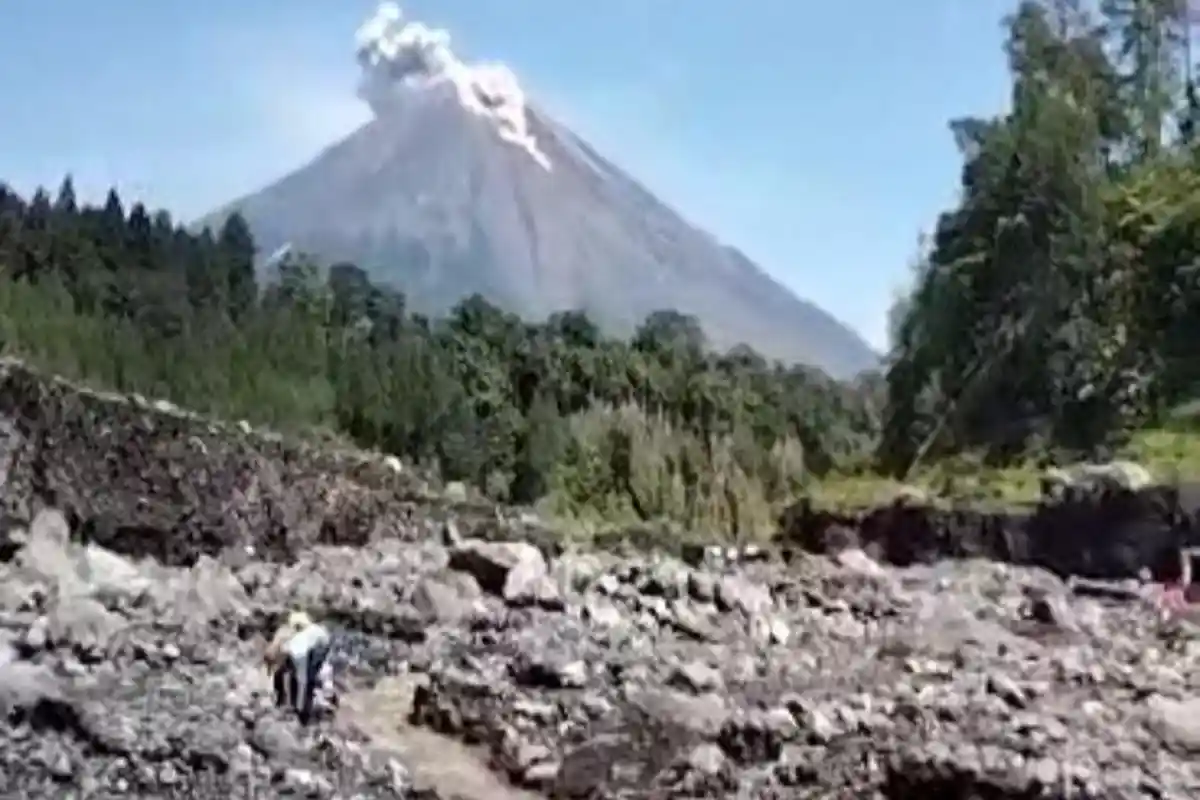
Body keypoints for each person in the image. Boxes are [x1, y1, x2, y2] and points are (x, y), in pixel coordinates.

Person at [266, 610, 336, 724]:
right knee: (285, 674)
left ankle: (305, 713)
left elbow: (302, 680)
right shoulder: (283, 640)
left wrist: (298, 709)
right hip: (310, 638)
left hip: (321, 644)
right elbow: (273, 664)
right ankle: (286, 702)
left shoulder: (299, 653)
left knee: (308, 680)